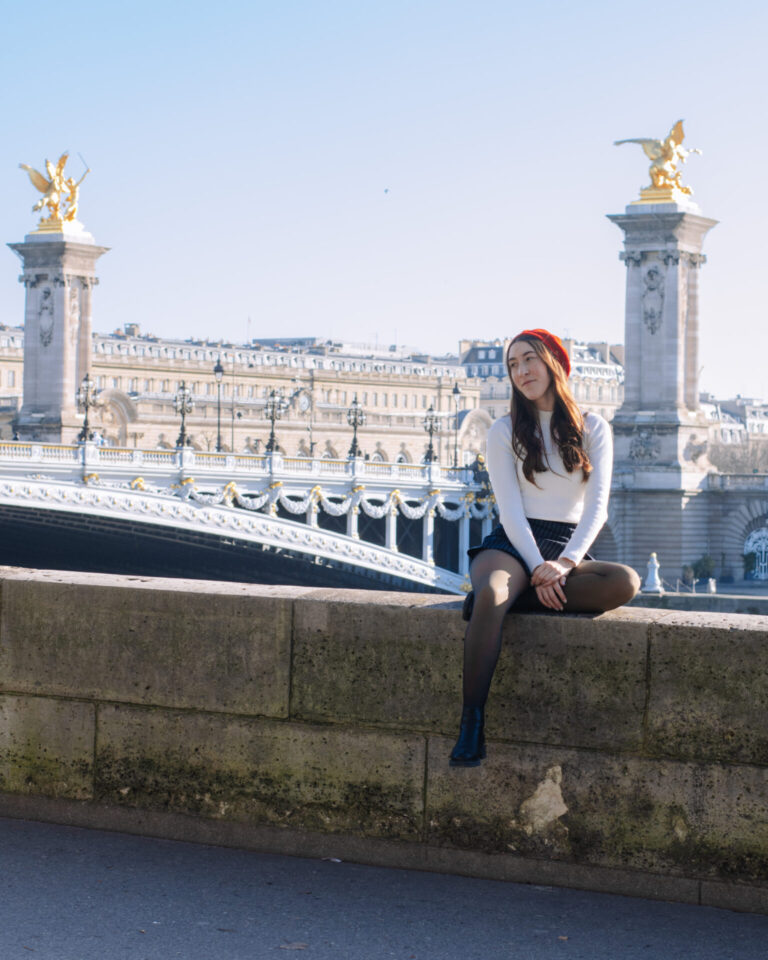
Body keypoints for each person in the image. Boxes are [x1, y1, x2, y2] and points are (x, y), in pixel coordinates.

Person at [450, 329, 640, 767]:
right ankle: (471, 722)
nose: (520, 371)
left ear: (554, 363)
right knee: (495, 588)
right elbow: (510, 512)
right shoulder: (503, 430)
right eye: (512, 365)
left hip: (565, 545)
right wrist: (539, 566)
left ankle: (499, 604)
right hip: (513, 544)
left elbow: (597, 508)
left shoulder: (594, 427)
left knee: (625, 582)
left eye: (528, 360)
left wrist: (566, 562)